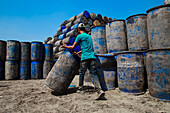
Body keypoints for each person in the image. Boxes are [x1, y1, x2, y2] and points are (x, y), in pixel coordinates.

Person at [61, 23, 105, 100]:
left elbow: (72, 47)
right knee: (93, 74)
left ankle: (80, 88)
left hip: (85, 58)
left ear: (78, 30)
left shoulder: (79, 36)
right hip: (92, 57)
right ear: (84, 29)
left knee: (81, 73)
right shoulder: (89, 37)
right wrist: (78, 52)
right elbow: (87, 47)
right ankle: (99, 90)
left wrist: (65, 46)